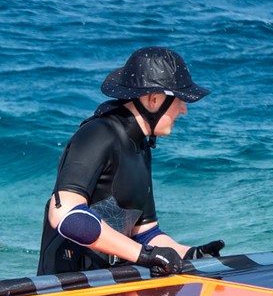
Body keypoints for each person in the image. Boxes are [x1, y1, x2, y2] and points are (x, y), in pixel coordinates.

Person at [38, 46, 225, 276]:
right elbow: (66, 216)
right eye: (180, 100)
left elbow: (145, 234)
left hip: (111, 283)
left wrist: (190, 254)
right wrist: (143, 255)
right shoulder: (97, 135)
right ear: (154, 99)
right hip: (65, 288)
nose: (184, 110)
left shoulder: (140, 147)